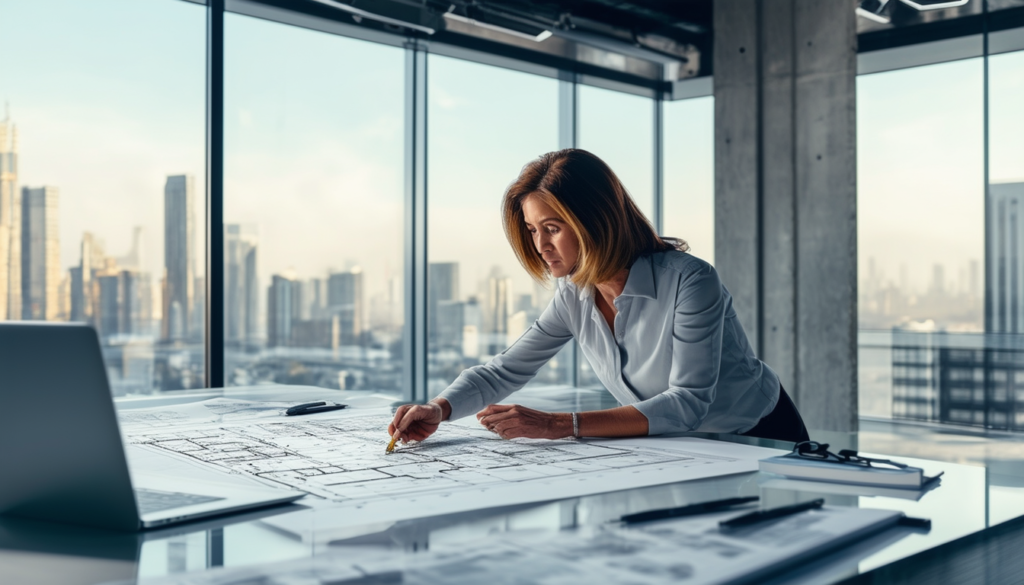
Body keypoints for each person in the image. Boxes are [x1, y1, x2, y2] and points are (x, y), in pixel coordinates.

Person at [388, 149, 809, 445]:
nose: (540, 245)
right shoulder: (574, 293)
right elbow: (503, 372)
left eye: (552, 227)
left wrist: (557, 425)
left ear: (595, 221)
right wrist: (439, 409)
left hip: (758, 433)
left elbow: (687, 404)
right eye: (533, 230)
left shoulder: (691, 281)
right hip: (677, 443)